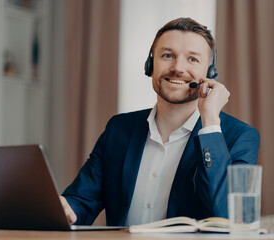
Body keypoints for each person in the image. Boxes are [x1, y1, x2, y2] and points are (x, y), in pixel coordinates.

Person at [60, 17, 260, 227]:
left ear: (210, 74)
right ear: (150, 65)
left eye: (192, 59)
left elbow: (226, 218)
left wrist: (209, 121)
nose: (177, 68)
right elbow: (81, 202)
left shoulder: (239, 137)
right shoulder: (119, 129)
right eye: (167, 55)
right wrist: (64, 207)